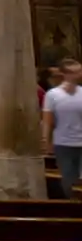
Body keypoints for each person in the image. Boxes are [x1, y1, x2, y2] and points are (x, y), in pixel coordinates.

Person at [43, 58, 82, 200]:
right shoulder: (53, 95)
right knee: (68, 177)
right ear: (65, 74)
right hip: (63, 142)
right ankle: (72, 204)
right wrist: (46, 141)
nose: (78, 75)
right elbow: (48, 120)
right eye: (74, 72)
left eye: (79, 72)